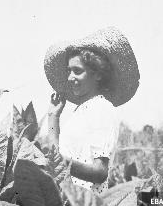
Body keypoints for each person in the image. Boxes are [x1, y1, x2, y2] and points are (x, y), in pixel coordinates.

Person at [43, 26, 140, 195]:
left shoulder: (101, 109)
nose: (70, 77)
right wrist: (53, 116)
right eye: (68, 71)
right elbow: (55, 155)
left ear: (98, 75)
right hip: (70, 202)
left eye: (77, 71)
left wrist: (61, 163)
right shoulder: (83, 110)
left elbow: (100, 173)